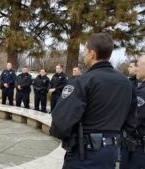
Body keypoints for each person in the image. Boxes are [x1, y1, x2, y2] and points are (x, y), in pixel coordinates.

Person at [49, 33, 136, 169]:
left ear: (92, 54)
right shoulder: (126, 84)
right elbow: (131, 122)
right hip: (111, 152)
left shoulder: (82, 82)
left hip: (84, 155)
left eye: (85, 51)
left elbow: (60, 122)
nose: (84, 55)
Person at [120, 55, 145, 169]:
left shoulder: (142, 92)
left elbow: (134, 118)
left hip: (137, 147)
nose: (136, 69)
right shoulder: (138, 86)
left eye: (138, 66)